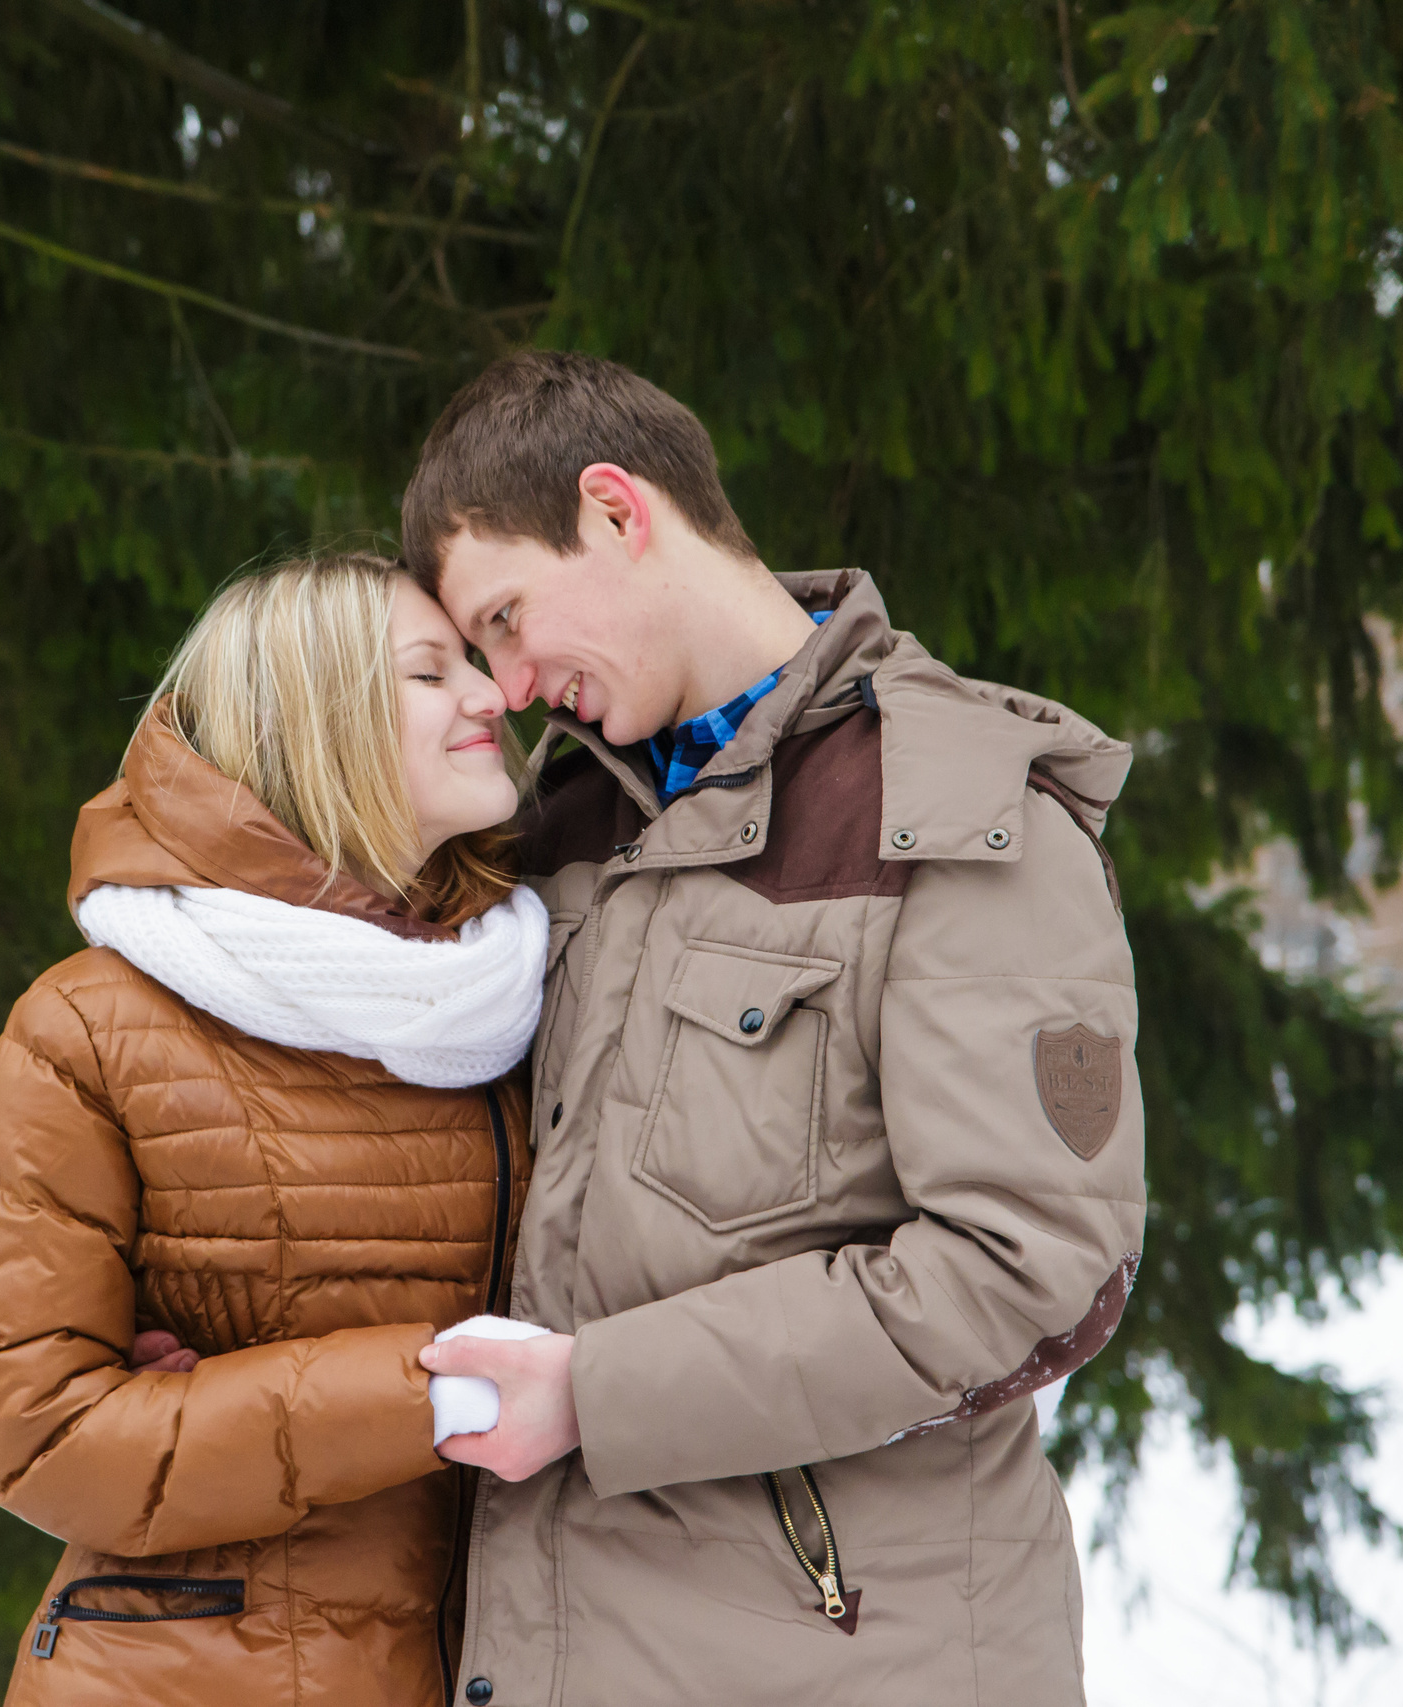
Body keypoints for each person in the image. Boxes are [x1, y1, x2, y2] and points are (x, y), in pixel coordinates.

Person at [404, 352, 1146, 1705]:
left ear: (619, 510)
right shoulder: (566, 832)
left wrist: (596, 1392)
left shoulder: (954, 818)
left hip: (858, 1656)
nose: (503, 687)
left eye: (507, 617)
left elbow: (1029, 1269)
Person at [0, 554, 550, 1707]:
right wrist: (436, 1396)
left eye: (471, 661)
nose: (491, 696)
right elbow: (37, 1432)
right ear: (320, 724)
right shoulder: (93, 1027)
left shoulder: (519, 995)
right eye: (430, 673)